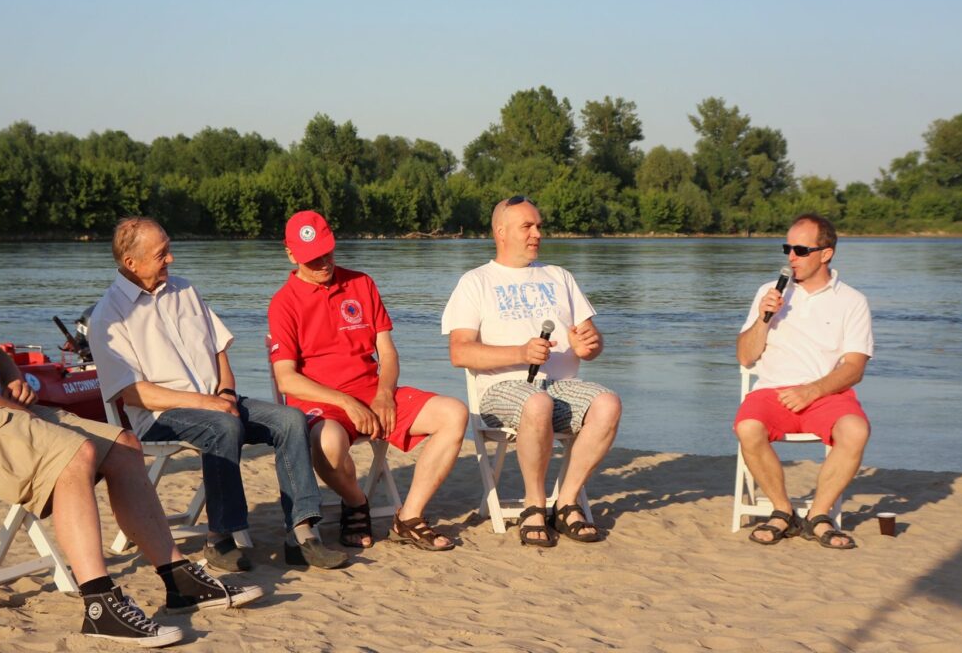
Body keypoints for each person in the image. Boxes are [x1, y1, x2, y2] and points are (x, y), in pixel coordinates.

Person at [0, 181, 260, 648]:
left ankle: (178, 579)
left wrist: (10, 374)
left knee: (124, 447)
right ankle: (99, 603)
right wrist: (14, 409)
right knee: (76, 455)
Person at [88, 217, 348, 572]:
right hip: (159, 415)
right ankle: (220, 538)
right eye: (162, 254)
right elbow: (132, 393)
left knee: (290, 419)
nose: (171, 259)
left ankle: (301, 534)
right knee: (221, 427)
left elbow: (218, 349)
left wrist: (225, 390)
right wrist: (207, 403)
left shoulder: (185, 290)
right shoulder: (109, 316)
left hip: (216, 400)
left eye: (168, 250)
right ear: (131, 263)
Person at [267, 210, 468, 551]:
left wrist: (385, 395)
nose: (322, 262)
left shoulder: (361, 283)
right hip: (323, 403)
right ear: (291, 255)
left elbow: (387, 353)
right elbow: (286, 380)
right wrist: (345, 402)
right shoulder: (283, 303)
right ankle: (356, 501)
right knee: (327, 443)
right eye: (312, 258)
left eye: (326, 252)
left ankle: (409, 515)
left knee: (454, 413)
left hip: (373, 392)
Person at [442, 196, 622, 547]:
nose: (537, 233)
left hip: (561, 386)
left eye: (539, 226)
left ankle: (567, 501)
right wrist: (520, 353)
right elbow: (459, 352)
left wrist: (591, 345)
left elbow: (592, 342)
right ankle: (534, 505)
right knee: (537, 402)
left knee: (608, 403)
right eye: (527, 226)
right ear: (501, 231)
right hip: (501, 389)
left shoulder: (559, 276)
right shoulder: (476, 282)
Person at [735, 213, 873, 549]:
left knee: (856, 430)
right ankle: (783, 511)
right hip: (771, 389)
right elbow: (745, 357)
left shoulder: (852, 301)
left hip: (826, 392)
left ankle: (819, 515)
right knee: (747, 428)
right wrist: (764, 319)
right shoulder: (768, 292)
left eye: (800, 249)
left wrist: (813, 390)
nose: (791, 257)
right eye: (788, 248)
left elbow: (854, 367)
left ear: (826, 253)